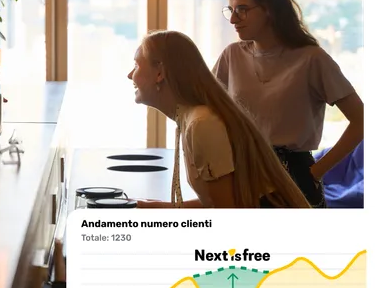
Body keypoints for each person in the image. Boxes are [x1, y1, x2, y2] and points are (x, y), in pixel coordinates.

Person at [213, 0, 366, 208]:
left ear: (270, 10)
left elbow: (363, 121)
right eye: (230, 11)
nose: (233, 19)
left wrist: (316, 172)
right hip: (242, 173)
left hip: (294, 178)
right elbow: (209, 112)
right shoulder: (231, 56)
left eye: (242, 9)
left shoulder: (312, 59)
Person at [128, 30, 310, 209]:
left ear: (160, 73)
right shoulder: (192, 118)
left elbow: (227, 215)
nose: (130, 75)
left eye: (136, 65)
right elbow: (219, 202)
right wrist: (159, 208)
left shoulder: (201, 123)